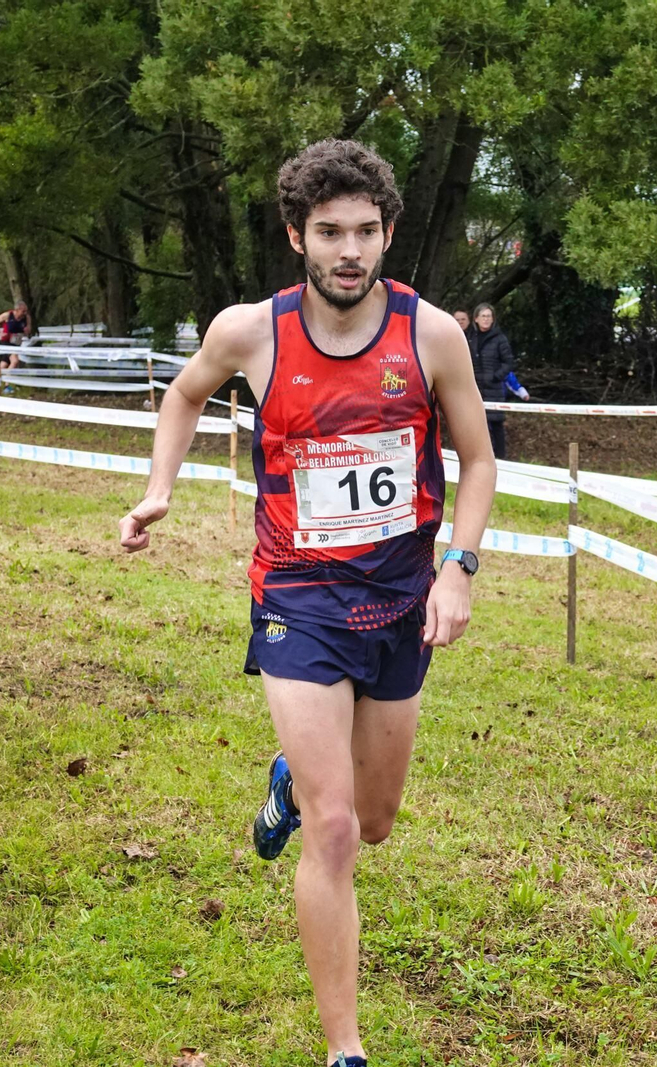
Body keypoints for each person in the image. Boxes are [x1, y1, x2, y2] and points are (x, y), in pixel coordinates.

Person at [118, 139, 496, 1067]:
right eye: (329, 232)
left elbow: (479, 460)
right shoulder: (251, 331)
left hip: (401, 600)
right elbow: (183, 395)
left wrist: (459, 568)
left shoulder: (431, 334)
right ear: (297, 236)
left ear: (388, 233)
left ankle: (290, 773)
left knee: (372, 819)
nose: (349, 251)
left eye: (366, 231)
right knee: (333, 834)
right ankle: (346, 1051)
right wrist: (160, 485)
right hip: (296, 599)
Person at [468, 303, 517, 459]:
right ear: (476, 319)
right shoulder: (470, 338)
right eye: (483, 316)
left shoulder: (500, 338)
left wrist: (496, 377)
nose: (486, 319)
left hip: (494, 389)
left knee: (496, 425)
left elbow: (509, 362)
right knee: (477, 425)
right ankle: (481, 458)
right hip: (476, 389)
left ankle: (501, 458)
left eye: (489, 316)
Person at [0, 301, 34, 393]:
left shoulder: (26, 318)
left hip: (16, 344)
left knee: (3, 366)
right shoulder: (8, 315)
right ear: (17, 310)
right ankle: (7, 385)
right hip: (6, 342)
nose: (25, 313)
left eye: (26, 311)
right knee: (15, 361)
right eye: (23, 311)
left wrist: (27, 330)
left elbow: (28, 330)